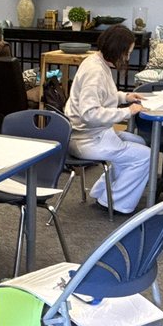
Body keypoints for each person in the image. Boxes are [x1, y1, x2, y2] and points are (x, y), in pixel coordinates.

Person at [64, 25, 152, 215]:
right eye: (126, 53)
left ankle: (104, 191)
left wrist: (124, 97)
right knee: (146, 155)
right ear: (116, 50)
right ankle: (115, 202)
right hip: (85, 139)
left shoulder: (96, 61)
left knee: (137, 141)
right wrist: (127, 112)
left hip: (87, 133)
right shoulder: (95, 72)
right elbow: (90, 114)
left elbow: (103, 95)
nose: (127, 58)